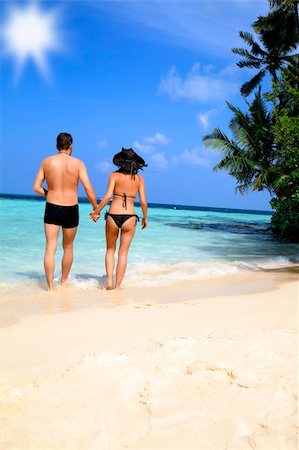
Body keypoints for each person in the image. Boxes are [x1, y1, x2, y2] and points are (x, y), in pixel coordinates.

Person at [33, 132, 97, 291]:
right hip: (71, 208)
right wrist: (95, 208)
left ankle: (49, 288)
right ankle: (63, 282)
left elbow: (36, 187)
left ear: (57, 146)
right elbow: (88, 188)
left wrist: (50, 193)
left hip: (52, 206)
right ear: (71, 145)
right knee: (68, 247)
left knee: (50, 247)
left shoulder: (47, 162)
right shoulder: (78, 163)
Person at [90, 147, 148, 289]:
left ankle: (109, 280)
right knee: (123, 252)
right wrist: (145, 217)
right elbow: (143, 202)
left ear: (121, 162)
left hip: (113, 215)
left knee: (110, 249)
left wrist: (96, 211)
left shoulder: (113, 176)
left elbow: (107, 197)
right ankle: (118, 285)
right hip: (130, 216)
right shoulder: (139, 179)